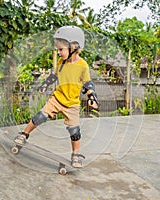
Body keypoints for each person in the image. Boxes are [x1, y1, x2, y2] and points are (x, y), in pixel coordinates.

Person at [14, 25, 99, 168]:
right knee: (40, 116)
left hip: (72, 103)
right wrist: (45, 85)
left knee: (75, 131)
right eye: (58, 49)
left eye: (61, 49)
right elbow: (55, 75)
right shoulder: (61, 62)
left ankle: (76, 154)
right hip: (57, 99)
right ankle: (24, 134)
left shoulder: (83, 65)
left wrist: (92, 97)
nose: (58, 52)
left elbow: (87, 83)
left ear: (74, 47)